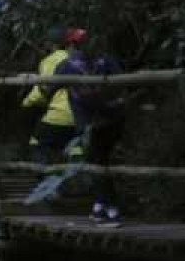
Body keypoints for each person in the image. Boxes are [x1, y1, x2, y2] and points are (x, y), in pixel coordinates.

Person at [63, 47, 127, 223]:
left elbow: (47, 89)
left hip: (95, 122)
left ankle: (112, 211)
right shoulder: (107, 58)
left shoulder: (68, 65)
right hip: (112, 117)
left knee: (97, 163)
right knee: (100, 162)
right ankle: (100, 205)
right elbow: (121, 83)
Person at [23, 26, 87, 163]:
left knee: (37, 143)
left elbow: (42, 91)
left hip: (59, 114)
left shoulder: (49, 61)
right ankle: (74, 172)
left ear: (49, 44)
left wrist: (27, 102)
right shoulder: (80, 58)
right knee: (75, 147)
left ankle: (45, 179)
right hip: (82, 116)